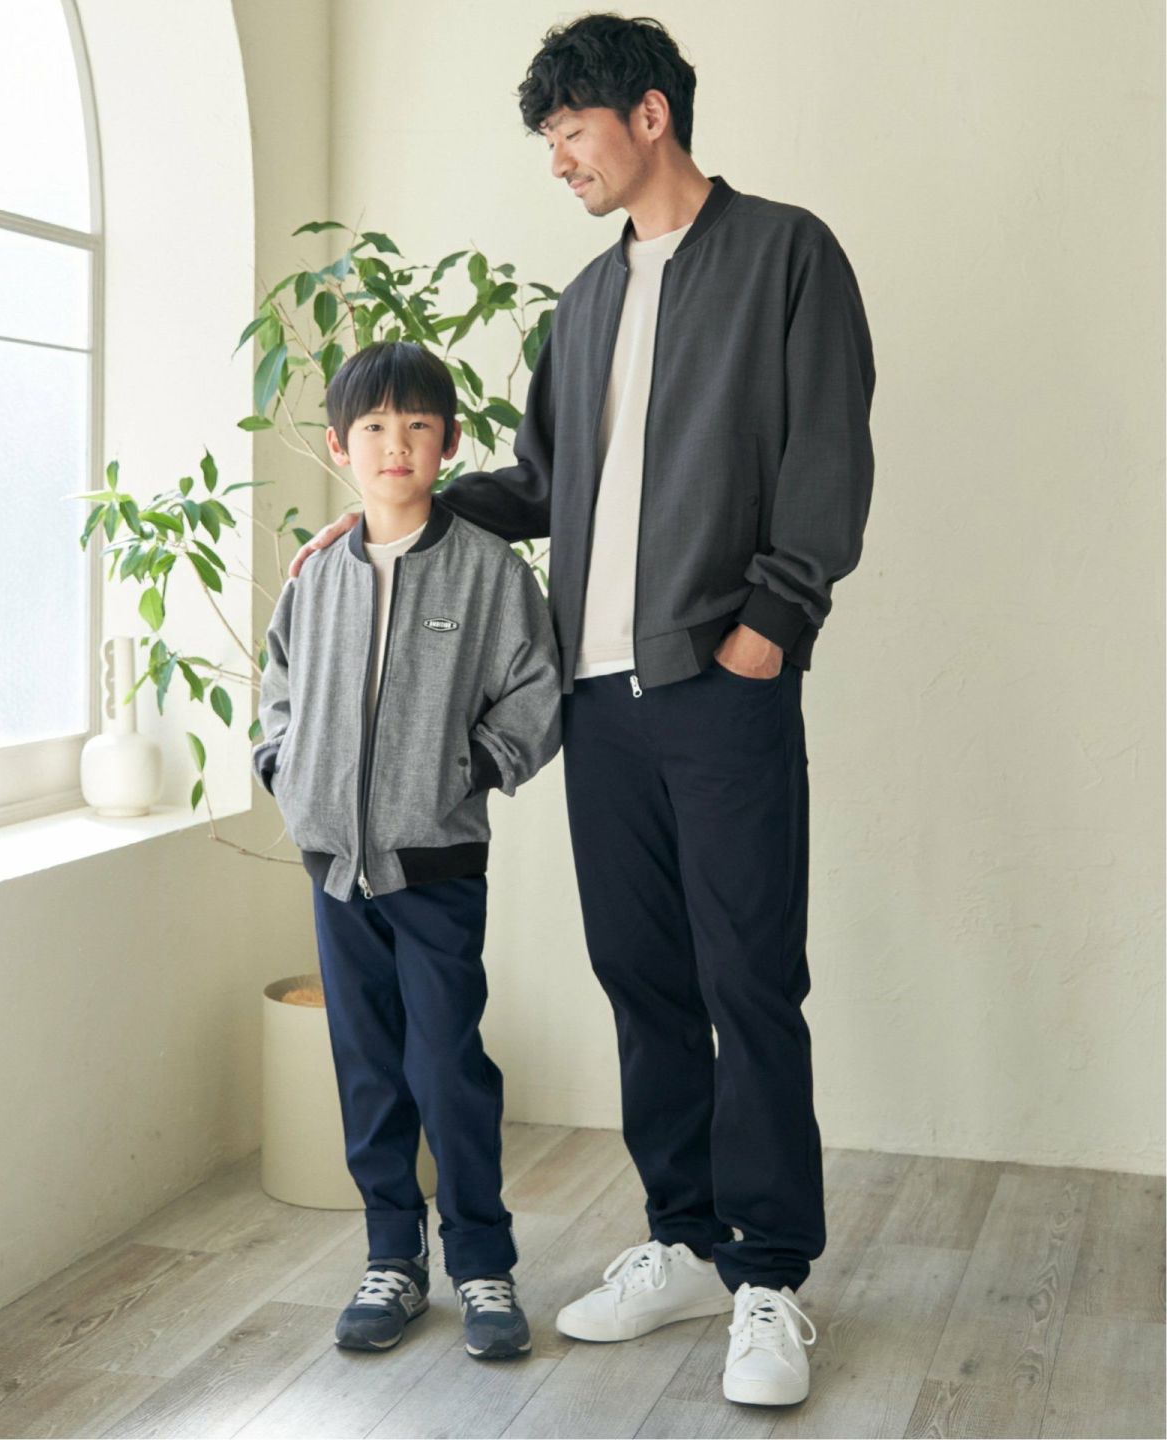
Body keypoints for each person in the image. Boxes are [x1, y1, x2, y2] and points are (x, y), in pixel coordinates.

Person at [290, 13, 875, 1407]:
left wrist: (773, 625)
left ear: (649, 114)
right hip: (597, 699)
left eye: (571, 132)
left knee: (749, 976)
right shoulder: (586, 302)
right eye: (548, 140)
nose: (558, 160)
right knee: (643, 976)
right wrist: (395, 509)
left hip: (720, 681)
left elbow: (827, 449)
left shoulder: (787, 255)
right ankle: (685, 1238)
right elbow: (545, 485)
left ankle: (769, 1277)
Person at [255, 340, 561, 1360]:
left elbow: (536, 689)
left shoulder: (488, 570)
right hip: (335, 872)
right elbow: (279, 686)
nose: (397, 445)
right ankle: (392, 1257)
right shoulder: (315, 575)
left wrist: (472, 768)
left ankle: (483, 1266)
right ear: (340, 447)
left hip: (435, 870)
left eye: (418, 426)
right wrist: (282, 767)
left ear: (450, 443)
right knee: (369, 1072)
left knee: (446, 1068)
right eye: (376, 427)